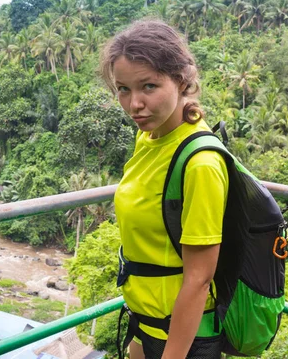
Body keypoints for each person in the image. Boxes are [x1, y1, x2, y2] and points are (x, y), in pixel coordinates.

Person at [101, 19, 228, 358]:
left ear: (181, 79)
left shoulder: (200, 164)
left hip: (184, 343)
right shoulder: (148, 136)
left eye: (149, 86)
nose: (134, 105)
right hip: (148, 328)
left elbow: (199, 279)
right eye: (123, 89)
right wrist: (140, 339)